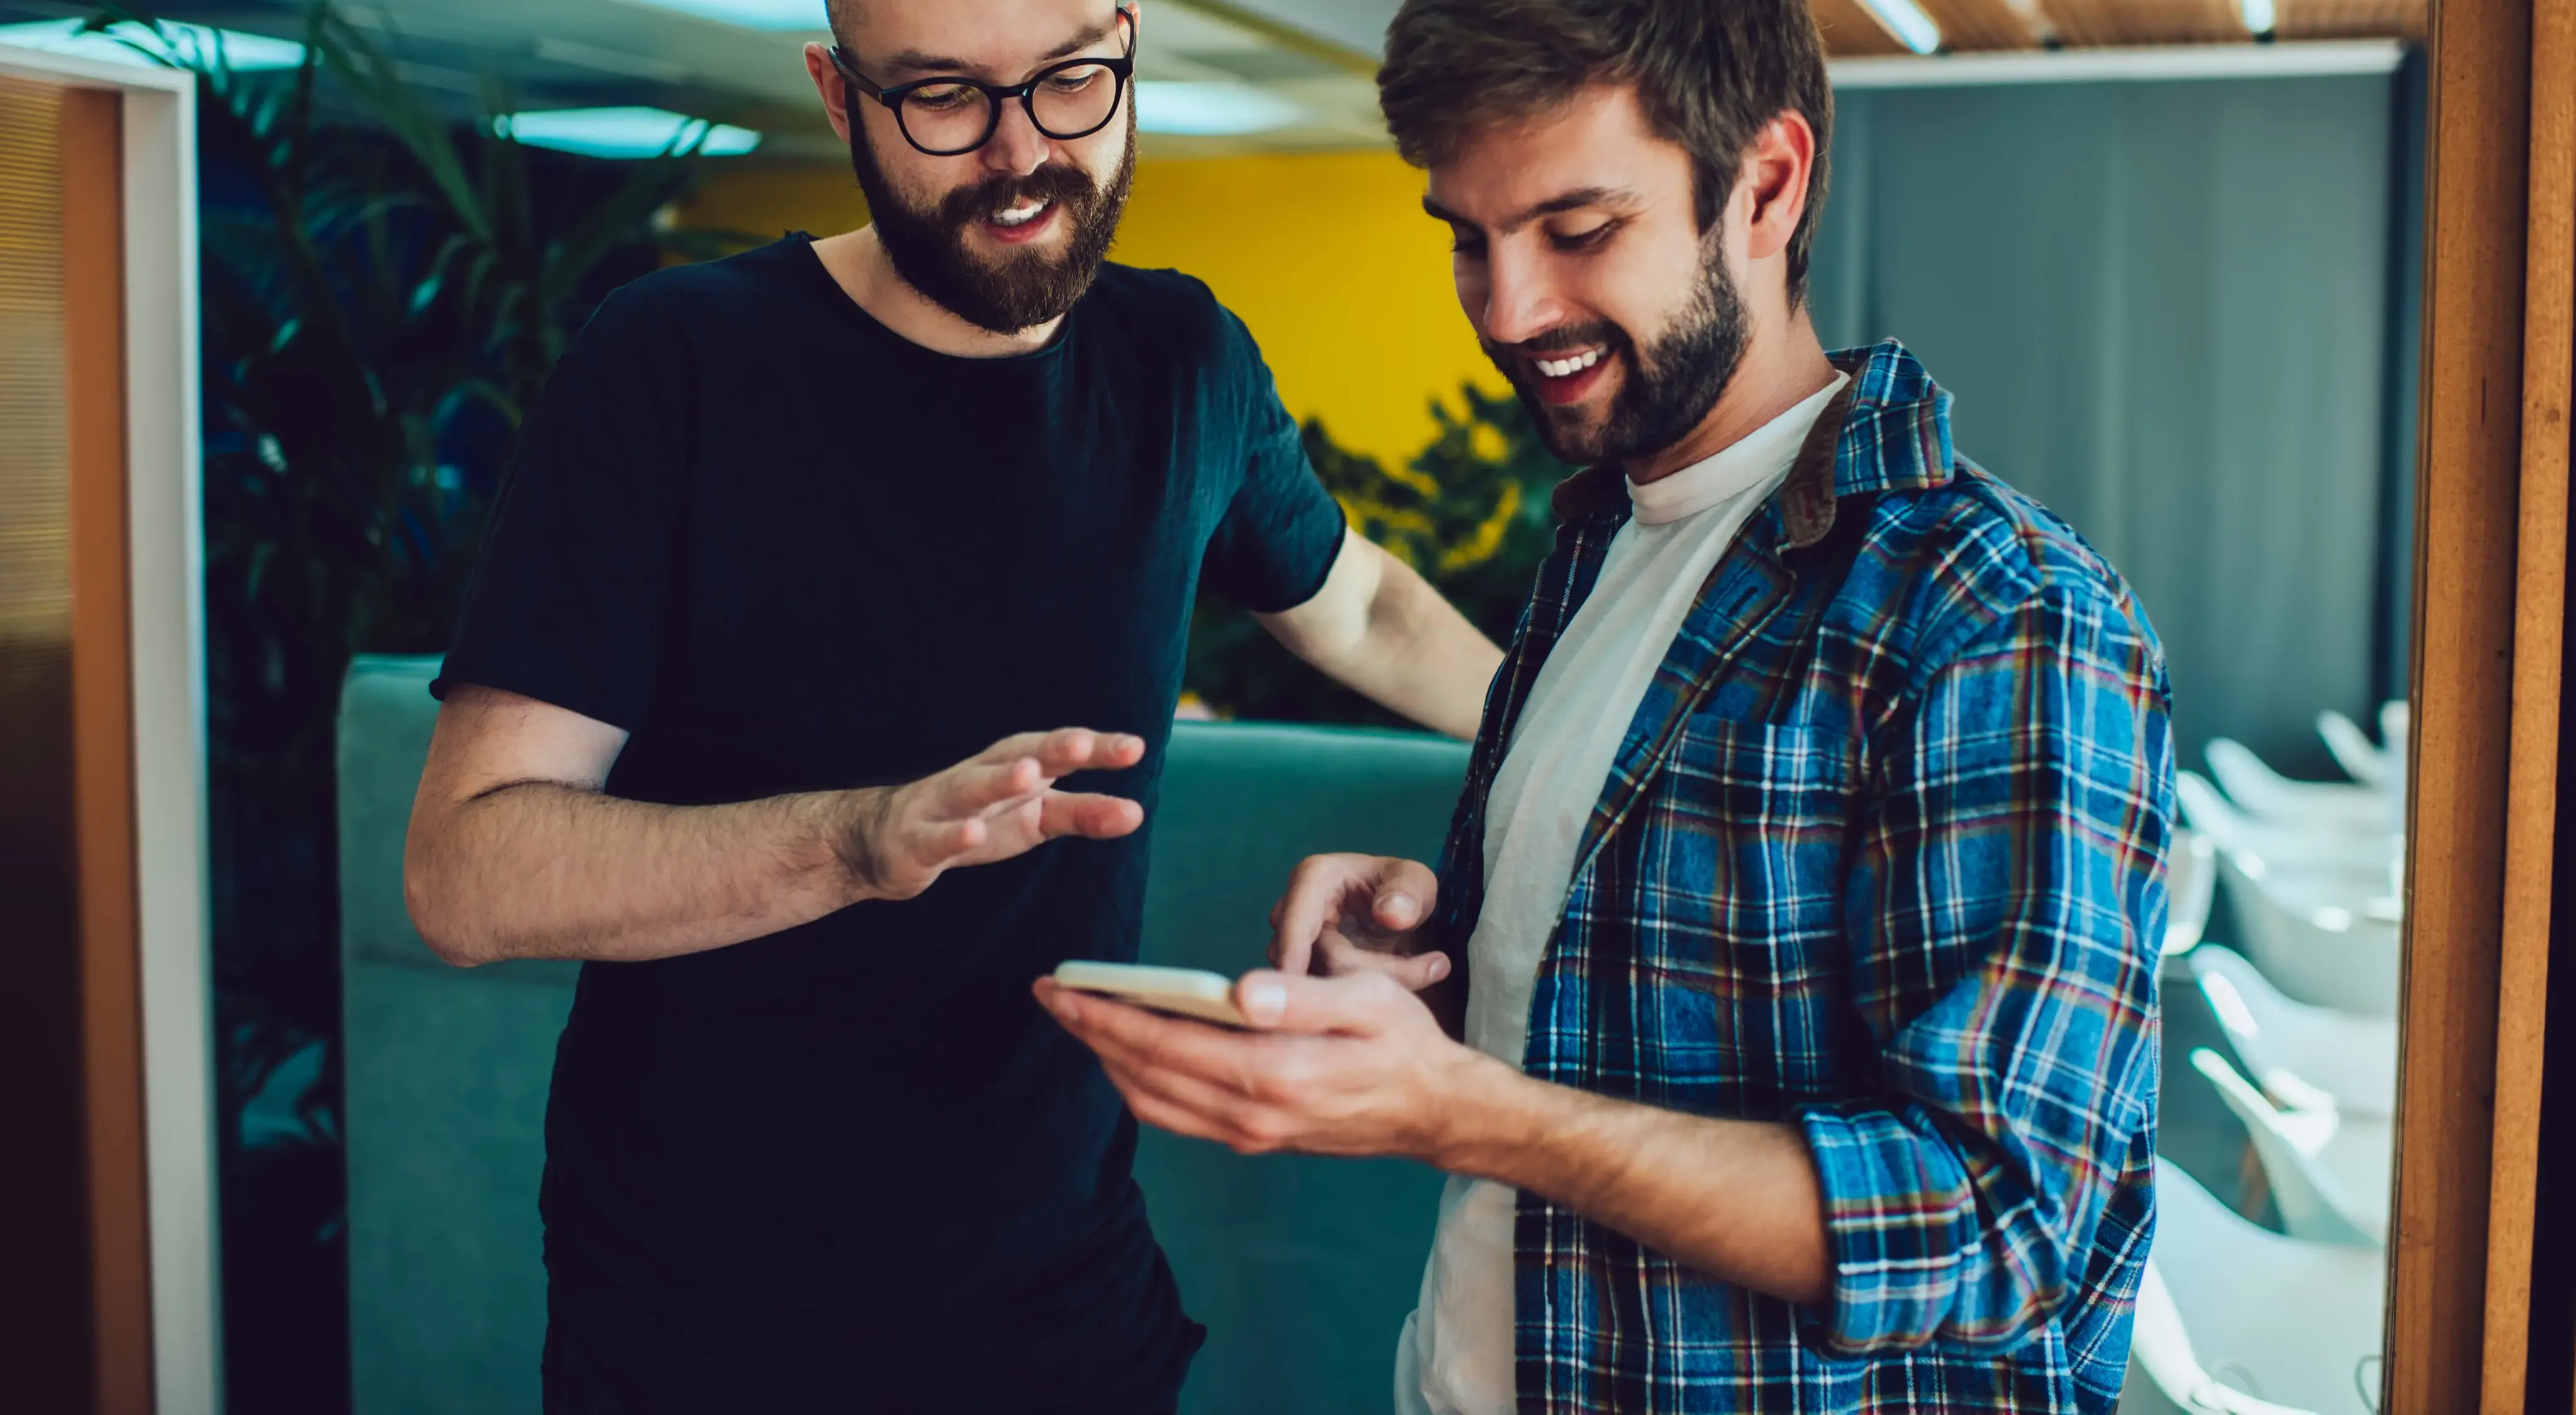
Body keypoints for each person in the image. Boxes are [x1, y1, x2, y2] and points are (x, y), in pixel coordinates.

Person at [1038, 0, 2175, 1411]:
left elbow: (1997, 1224)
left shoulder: (1999, 610)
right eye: (1468, 235)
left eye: (1576, 231)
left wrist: (1469, 1113)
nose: (1507, 311)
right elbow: (1606, 1026)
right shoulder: (1600, 542)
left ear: (1763, 184)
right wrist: (1430, 963)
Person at [401, 0, 1504, 1409]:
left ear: (1123, 43)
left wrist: (1581, 735)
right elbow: (463, 874)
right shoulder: (671, 361)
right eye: (942, 96)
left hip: (1068, 1301)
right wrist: (859, 841)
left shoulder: (1179, 359)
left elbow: (1358, 606)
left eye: (1068, 83)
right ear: (837, 94)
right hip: (710, 1323)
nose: (1019, 152)